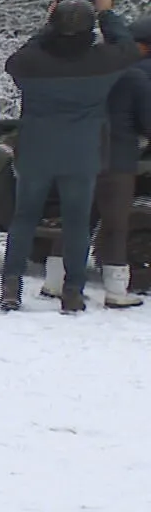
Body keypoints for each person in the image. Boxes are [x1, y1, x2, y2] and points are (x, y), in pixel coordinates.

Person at [0, 0, 142, 314]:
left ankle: (11, 287)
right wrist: (107, 14)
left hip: (36, 152)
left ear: (53, 22)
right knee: (76, 223)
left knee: (24, 218)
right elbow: (129, 48)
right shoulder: (102, 63)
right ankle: (72, 292)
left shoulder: (32, 64)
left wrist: (46, 26)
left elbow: (14, 60)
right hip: (82, 155)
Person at [94, 16, 151, 307]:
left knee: (71, 219)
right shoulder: (138, 75)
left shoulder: (88, 70)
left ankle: (59, 284)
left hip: (80, 152)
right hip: (121, 155)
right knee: (117, 223)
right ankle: (116, 290)